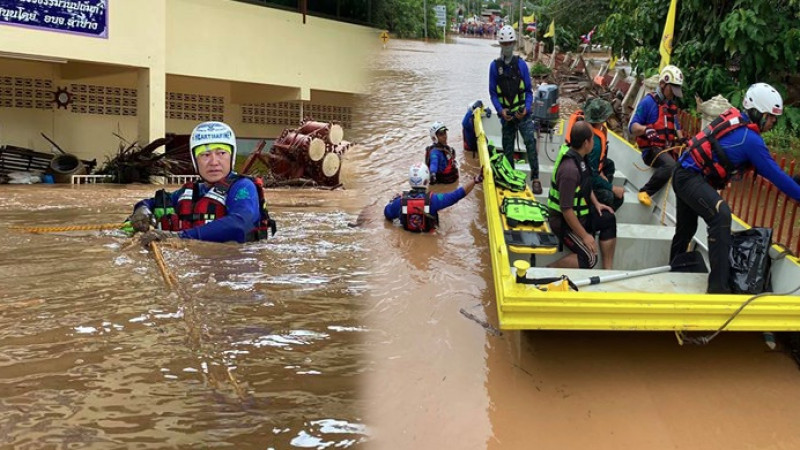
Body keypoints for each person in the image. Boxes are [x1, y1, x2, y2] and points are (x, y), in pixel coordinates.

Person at [671, 82, 800, 293]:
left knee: (686, 229)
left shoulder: (739, 125)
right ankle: (718, 289)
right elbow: (775, 175)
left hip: (683, 173)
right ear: (758, 113)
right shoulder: (750, 140)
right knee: (720, 215)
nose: (773, 122)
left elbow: (770, 172)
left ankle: (674, 268)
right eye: (771, 117)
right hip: (689, 178)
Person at [125, 121, 276, 245]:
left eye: (221, 153)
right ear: (195, 160)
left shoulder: (243, 187)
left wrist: (179, 237)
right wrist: (142, 209)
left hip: (234, 272)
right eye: (205, 155)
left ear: (232, 157)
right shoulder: (189, 192)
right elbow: (153, 202)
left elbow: (241, 224)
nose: (214, 162)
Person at [547, 121, 616, 269]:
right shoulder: (569, 171)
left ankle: (608, 271)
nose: (594, 141)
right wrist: (584, 235)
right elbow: (566, 209)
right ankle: (550, 269)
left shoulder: (581, 157)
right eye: (592, 138)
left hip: (581, 214)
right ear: (586, 142)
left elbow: (585, 184)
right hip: (562, 222)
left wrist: (597, 203)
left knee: (609, 218)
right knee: (590, 258)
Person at [489, 25, 541, 194]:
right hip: (507, 116)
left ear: (514, 43)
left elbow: (528, 91)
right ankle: (510, 176)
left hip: (523, 114)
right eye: (504, 44)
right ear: (500, 45)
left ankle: (535, 178)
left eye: (510, 43)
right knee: (507, 147)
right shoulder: (494, 67)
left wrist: (526, 109)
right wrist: (500, 111)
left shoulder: (521, 65)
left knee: (530, 143)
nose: (507, 47)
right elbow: (493, 93)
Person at [629, 64, 685, 206]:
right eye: (672, 90)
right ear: (662, 84)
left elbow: (676, 126)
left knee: (686, 166)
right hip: (651, 151)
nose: (673, 94)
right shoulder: (648, 103)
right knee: (671, 166)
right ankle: (645, 191)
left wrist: (683, 140)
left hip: (666, 150)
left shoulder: (671, 106)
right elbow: (632, 127)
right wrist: (646, 129)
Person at [384, 162, 482, 232]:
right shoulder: (434, 200)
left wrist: (395, 200)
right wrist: (474, 181)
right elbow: (456, 195)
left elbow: (387, 213)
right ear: (427, 180)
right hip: (430, 236)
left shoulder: (400, 201)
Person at [565, 98, 625, 211]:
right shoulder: (595, 143)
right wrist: (612, 188)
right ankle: (597, 215)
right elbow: (590, 176)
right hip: (581, 178)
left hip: (580, 165)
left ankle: (603, 187)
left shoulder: (580, 124)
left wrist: (600, 171)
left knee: (609, 164)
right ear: (600, 120)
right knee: (612, 197)